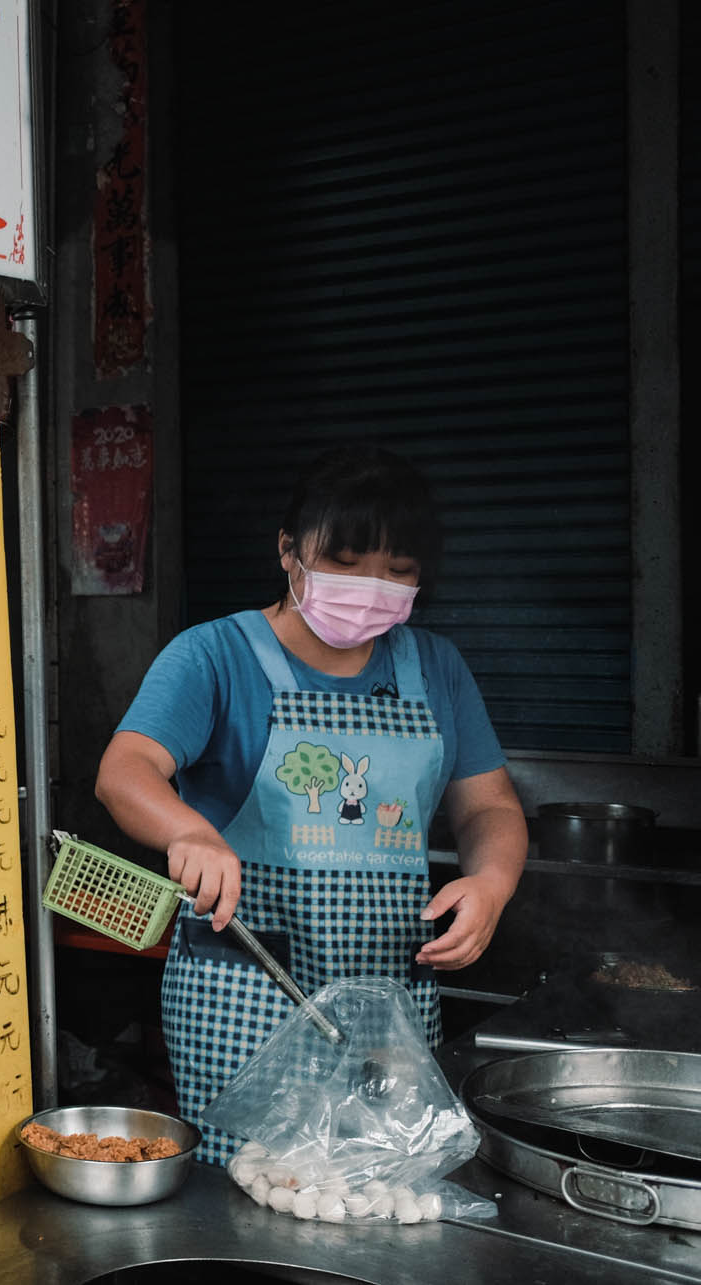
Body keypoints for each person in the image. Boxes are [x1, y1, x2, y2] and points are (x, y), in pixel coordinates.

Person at [95, 446, 527, 1162]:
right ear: (289, 551)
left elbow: (491, 808)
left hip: (391, 1009)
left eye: (399, 571)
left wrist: (492, 882)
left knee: (382, 1200)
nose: (372, 586)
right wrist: (190, 832)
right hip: (247, 1003)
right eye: (348, 561)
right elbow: (125, 768)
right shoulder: (214, 656)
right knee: (251, 1197)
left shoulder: (436, 667)